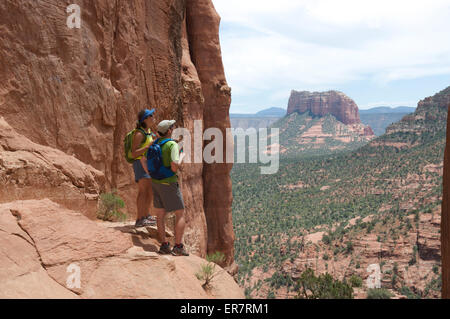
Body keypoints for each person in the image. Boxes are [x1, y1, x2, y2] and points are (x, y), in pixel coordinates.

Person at [151, 120, 189, 256]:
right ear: (168, 131)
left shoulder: (155, 143)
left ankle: (164, 245)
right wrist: (182, 156)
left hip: (155, 182)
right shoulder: (172, 144)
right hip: (168, 182)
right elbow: (174, 167)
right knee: (179, 213)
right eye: (172, 127)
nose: (173, 128)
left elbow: (145, 160)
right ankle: (178, 246)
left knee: (160, 214)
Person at [131, 109, 157, 227]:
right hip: (140, 163)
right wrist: (148, 146)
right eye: (150, 115)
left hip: (148, 164)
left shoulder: (148, 132)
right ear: (145, 119)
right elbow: (134, 153)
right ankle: (139, 219)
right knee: (143, 191)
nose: (153, 117)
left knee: (150, 190)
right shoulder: (139, 134)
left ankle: (146, 215)